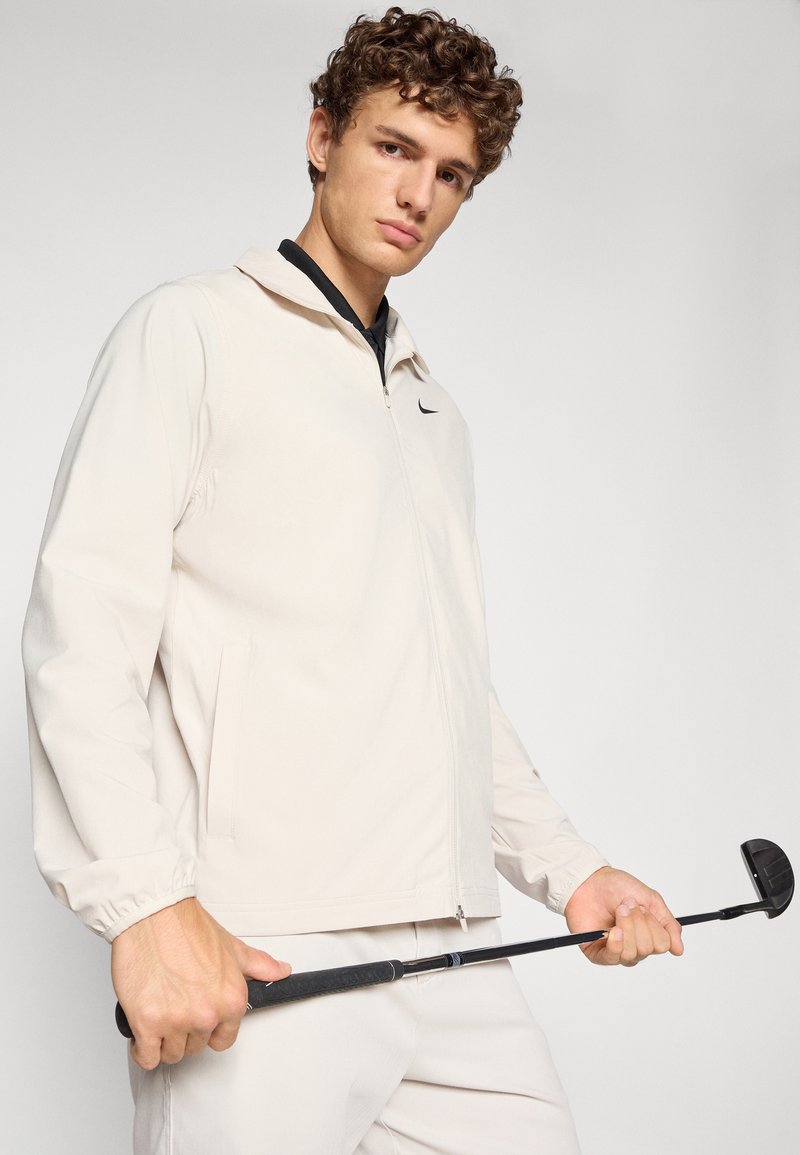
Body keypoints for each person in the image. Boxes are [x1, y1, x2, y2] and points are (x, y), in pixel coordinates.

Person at [21, 7, 683, 1153]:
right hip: (266, 936)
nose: (417, 194)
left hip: (452, 941)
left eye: (451, 175)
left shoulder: (432, 408)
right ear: (322, 136)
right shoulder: (191, 333)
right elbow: (83, 631)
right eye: (392, 147)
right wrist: (145, 904)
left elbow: (447, 686)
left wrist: (570, 871)